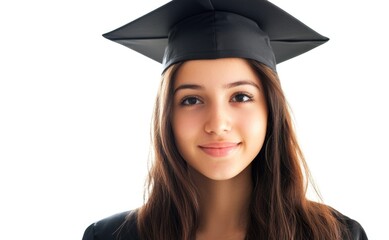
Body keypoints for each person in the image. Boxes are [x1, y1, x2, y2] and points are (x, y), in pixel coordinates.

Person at [83, 0, 368, 239]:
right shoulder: (111, 236)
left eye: (240, 97)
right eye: (191, 100)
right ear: (166, 115)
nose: (218, 124)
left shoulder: (335, 235)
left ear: (271, 109)